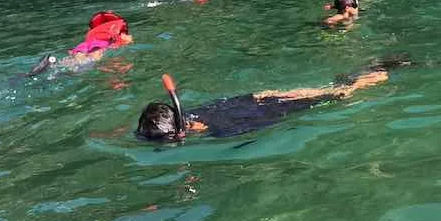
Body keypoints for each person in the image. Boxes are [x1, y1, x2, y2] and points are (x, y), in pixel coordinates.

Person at [135, 61, 406, 142]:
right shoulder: (191, 114)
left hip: (276, 104)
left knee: (341, 95)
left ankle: (376, 75)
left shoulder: (223, 131)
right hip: (263, 96)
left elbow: (269, 123)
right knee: (331, 89)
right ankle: (361, 72)